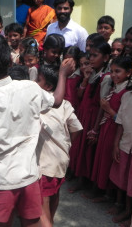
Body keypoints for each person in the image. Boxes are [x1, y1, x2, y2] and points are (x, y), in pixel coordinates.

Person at [0, 33, 75, 227]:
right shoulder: (29, 88)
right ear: (10, 61)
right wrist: (62, 75)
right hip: (29, 178)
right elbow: (57, 101)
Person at [36, 65, 82, 227]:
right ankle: (51, 220)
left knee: (43, 203)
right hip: (61, 160)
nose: (34, 82)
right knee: (54, 193)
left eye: (38, 80)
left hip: (45, 163)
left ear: (48, 86)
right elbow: (76, 128)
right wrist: (65, 146)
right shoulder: (66, 105)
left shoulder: (39, 101)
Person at [69, 41, 112, 193]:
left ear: (106, 57)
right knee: (79, 146)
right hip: (84, 113)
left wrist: (95, 129)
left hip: (93, 117)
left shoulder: (105, 78)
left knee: (87, 150)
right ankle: (78, 177)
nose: (92, 59)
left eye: (95, 55)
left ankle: (85, 182)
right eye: (91, 55)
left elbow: (102, 103)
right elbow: (80, 95)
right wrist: (86, 79)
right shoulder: (91, 73)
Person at [90, 56, 132, 202]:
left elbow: (123, 120)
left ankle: (109, 195)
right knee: (103, 158)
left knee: (110, 161)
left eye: (118, 71)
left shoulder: (126, 93)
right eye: (112, 71)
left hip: (116, 131)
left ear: (128, 73)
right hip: (107, 128)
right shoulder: (115, 88)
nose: (114, 75)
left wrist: (108, 109)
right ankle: (101, 191)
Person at [109, 65, 132, 225]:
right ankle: (121, 206)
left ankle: (130, 212)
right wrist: (115, 144)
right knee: (122, 175)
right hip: (125, 143)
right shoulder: (127, 96)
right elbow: (119, 122)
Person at [63, 46, 82, 112]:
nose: (68, 63)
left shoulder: (80, 75)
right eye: (66, 60)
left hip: (74, 109)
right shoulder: (61, 73)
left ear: (77, 61)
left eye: (71, 61)